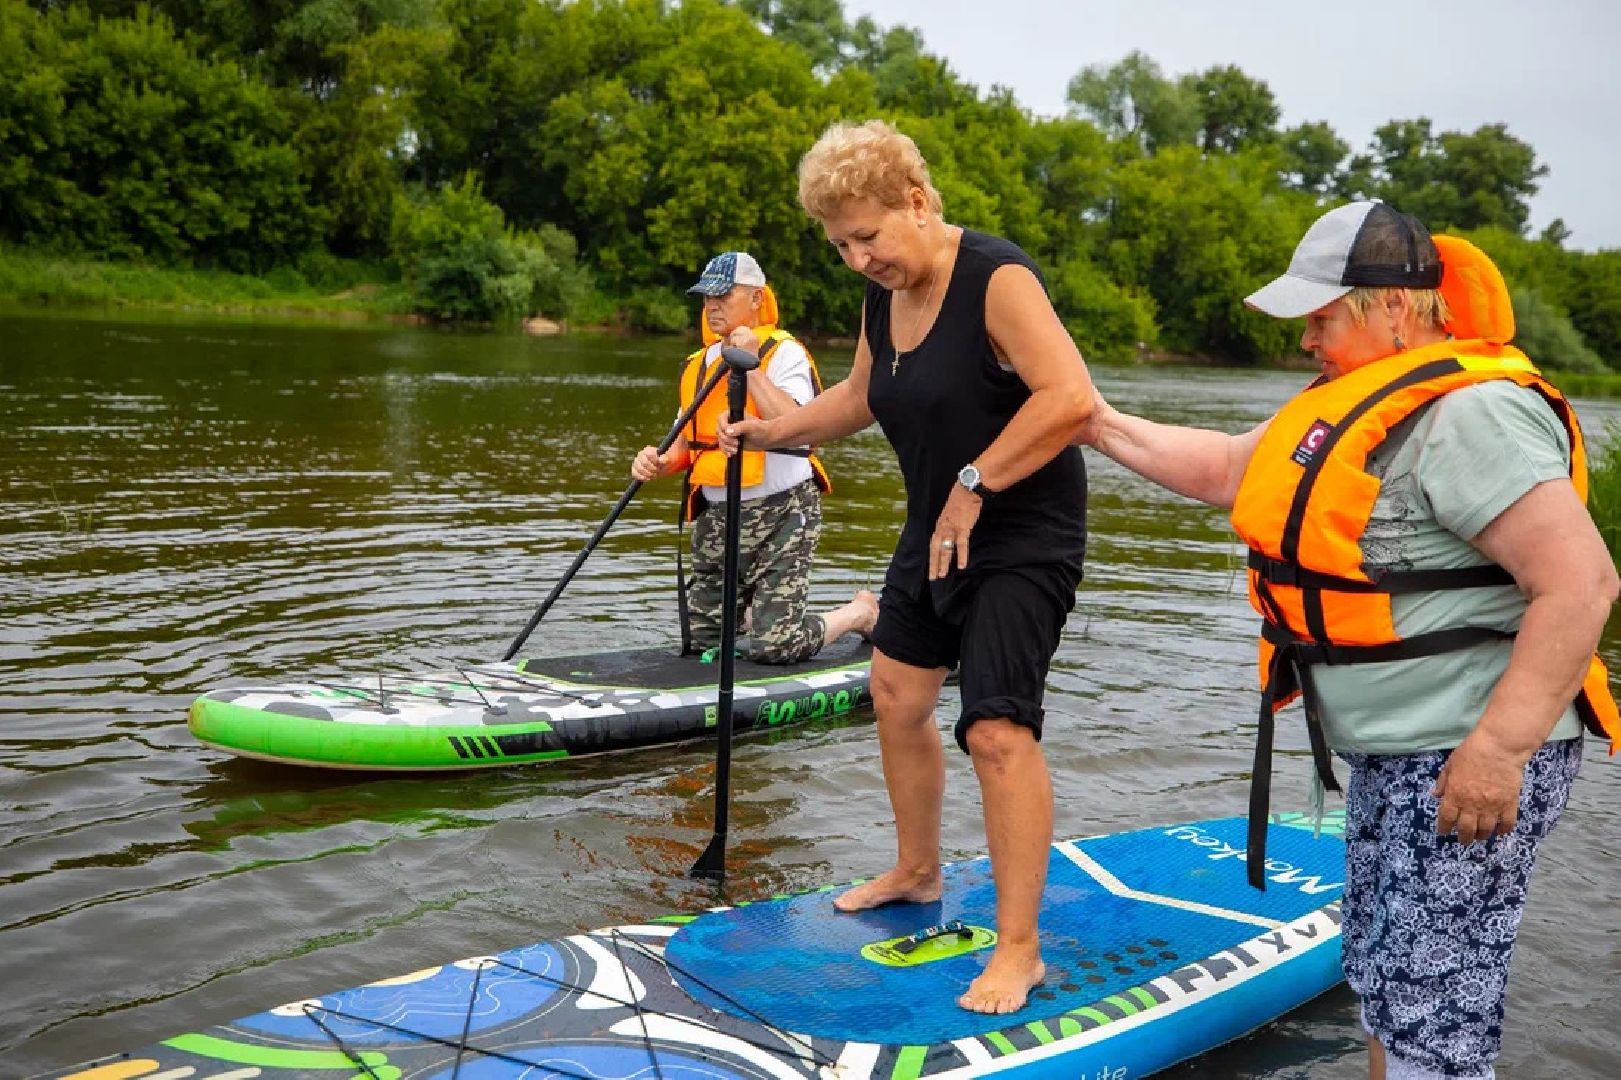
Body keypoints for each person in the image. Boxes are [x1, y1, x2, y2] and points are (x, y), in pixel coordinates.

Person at [1076, 200, 1620, 1079]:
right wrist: (1094, 420)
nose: (1304, 341)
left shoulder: (1472, 414)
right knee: (1383, 982)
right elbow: (1226, 468)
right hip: (1397, 753)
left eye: (1319, 318)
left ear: (1393, 307)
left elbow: (1581, 583)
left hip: (1462, 756)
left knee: (1433, 1021)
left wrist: (1497, 749)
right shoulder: (1347, 407)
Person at [718, 120, 1096, 1014]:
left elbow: (1070, 397)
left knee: (994, 729)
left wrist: (974, 483)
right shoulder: (881, 295)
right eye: (840, 246)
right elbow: (860, 396)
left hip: (1024, 533)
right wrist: (772, 431)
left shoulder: (996, 278)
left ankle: (1017, 949)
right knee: (894, 693)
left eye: (867, 236)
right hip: (937, 526)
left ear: (917, 203)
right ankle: (917, 870)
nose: (858, 259)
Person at [631, 250, 877, 664]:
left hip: (783, 512)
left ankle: (860, 613)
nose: (712, 305)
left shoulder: (785, 353)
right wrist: (655, 461)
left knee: (774, 648)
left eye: (724, 295)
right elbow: (685, 445)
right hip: (718, 518)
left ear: (757, 298)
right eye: (707, 297)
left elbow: (802, 426)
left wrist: (751, 367)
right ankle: (756, 612)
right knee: (702, 643)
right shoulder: (698, 365)